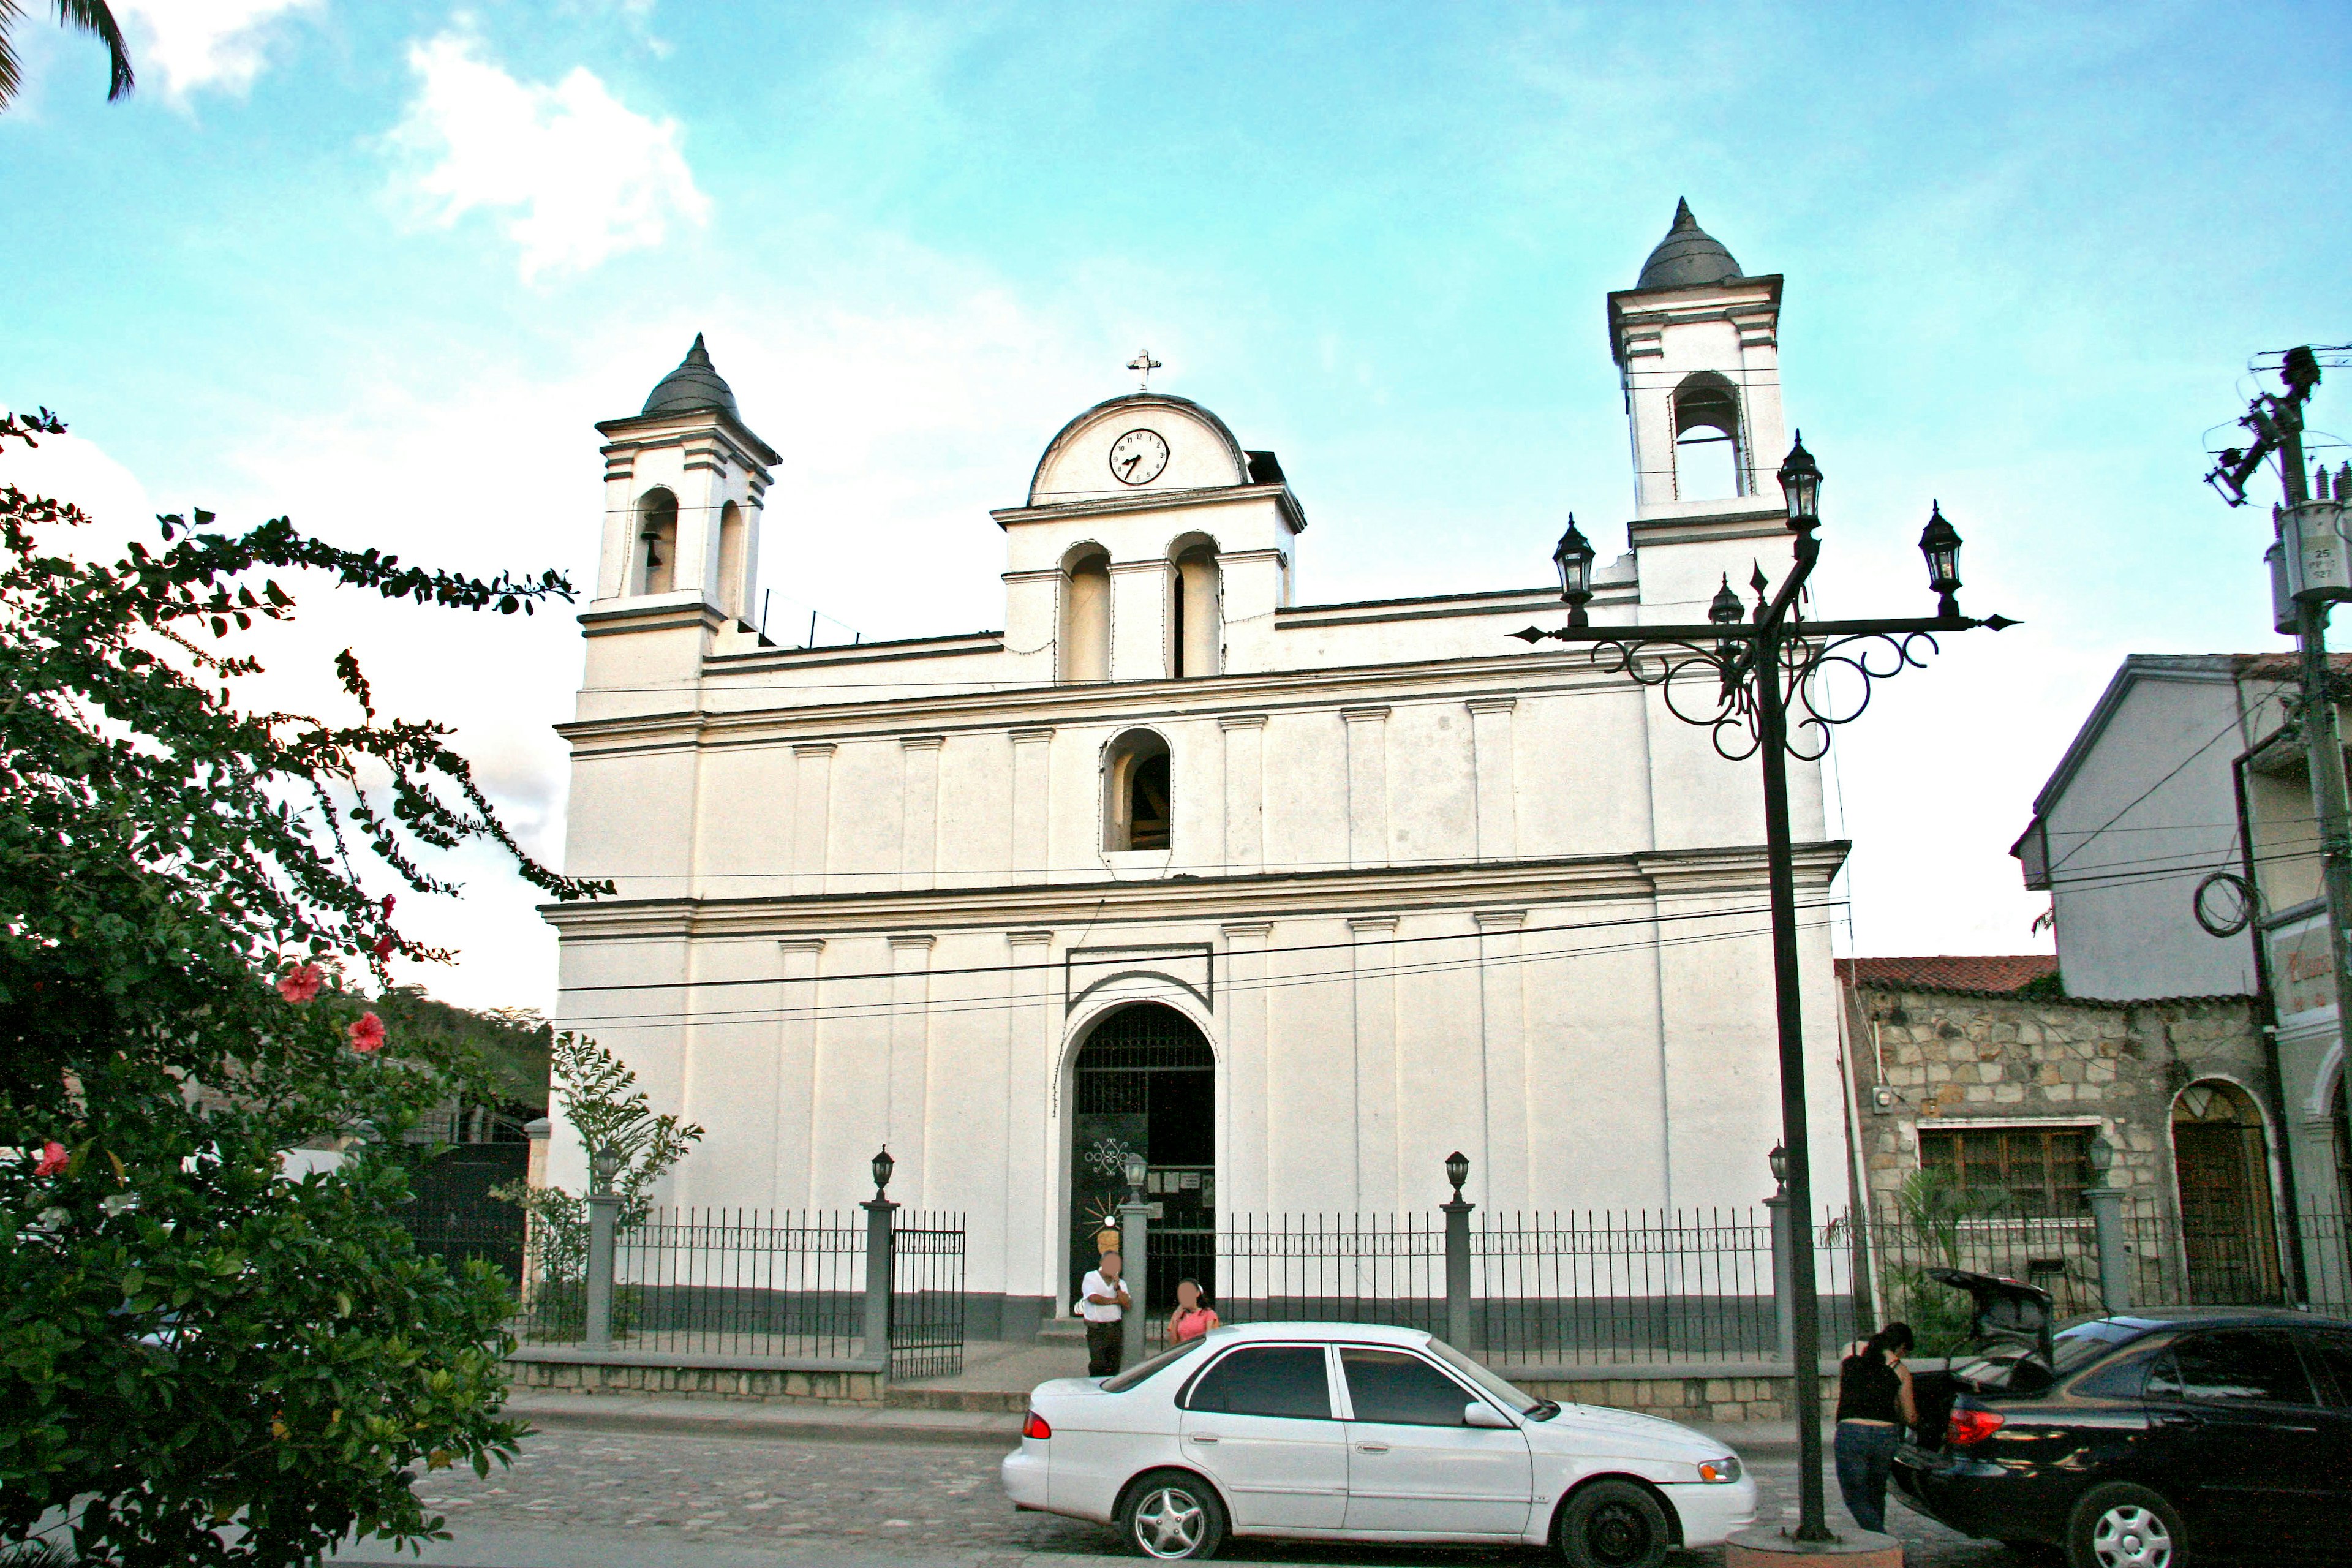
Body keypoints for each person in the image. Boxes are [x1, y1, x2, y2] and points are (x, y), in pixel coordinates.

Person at [1834, 1322, 1917, 1534]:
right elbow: (1910, 1417)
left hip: (1851, 1431)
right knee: (1876, 1494)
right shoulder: (1901, 1371)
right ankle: (1879, 1545)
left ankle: (1881, 1542)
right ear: (1901, 1348)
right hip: (1886, 1434)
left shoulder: (1850, 1356)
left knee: (1855, 1496)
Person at [1079, 1251, 1131, 1378]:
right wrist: (1114, 1301)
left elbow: (1127, 1304)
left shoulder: (1121, 1283)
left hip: (1114, 1328)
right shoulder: (1091, 1277)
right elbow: (1094, 1298)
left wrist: (1117, 1287)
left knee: (1113, 1364)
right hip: (1097, 1329)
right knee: (1098, 1363)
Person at [1167, 1278, 1219, 1343]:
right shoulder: (1178, 1314)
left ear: (1197, 1293)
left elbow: (1210, 1340)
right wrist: (1175, 1320)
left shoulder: (1208, 1314)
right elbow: (1173, 1343)